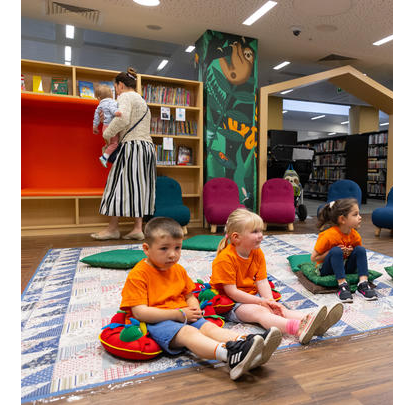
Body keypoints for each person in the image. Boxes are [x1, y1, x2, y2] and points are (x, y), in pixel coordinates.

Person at [119, 217, 275, 380]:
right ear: (146, 248)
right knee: (189, 332)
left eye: (177, 248)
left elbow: (188, 294)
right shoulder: (139, 275)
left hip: (183, 314)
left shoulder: (177, 270)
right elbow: (140, 312)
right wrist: (177, 314)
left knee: (210, 328)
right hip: (158, 322)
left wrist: (194, 307)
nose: (172, 255)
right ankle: (229, 355)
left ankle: (249, 342)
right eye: (164, 248)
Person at [211, 209, 343, 345]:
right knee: (261, 312)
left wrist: (269, 300)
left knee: (279, 309)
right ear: (236, 237)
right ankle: (297, 328)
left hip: (251, 295)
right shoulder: (225, 259)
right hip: (232, 303)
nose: (261, 235)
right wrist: (261, 302)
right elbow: (232, 292)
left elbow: (262, 281)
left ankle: (313, 321)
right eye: (255, 232)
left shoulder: (257, 252)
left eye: (261, 231)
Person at [91, 67, 155, 241]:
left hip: (132, 146)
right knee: (139, 187)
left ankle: (113, 228)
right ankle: (137, 228)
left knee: (115, 184)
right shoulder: (142, 100)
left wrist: (106, 133)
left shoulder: (125, 97)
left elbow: (123, 118)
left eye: (115, 87)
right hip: (146, 147)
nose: (115, 91)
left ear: (120, 85)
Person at [311, 198, 377, 303]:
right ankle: (342, 285)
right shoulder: (328, 235)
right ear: (342, 219)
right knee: (336, 251)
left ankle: (363, 283)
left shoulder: (355, 236)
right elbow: (314, 258)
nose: (360, 217)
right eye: (355, 215)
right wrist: (331, 252)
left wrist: (350, 252)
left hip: (345, 267)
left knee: (360, 249)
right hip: (327, 269)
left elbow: (357, 256)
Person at [92, 84, 121, 168]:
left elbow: (96, 116)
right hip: (111, 127)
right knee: (115, 144)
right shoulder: (112, 102)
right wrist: (116, 112)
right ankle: (104, 157)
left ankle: (106, 156)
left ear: (99, 98)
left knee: (110, 144)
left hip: (105, 128)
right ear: (111, 95)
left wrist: (95, 126)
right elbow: (112, 109)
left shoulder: (100, 105)